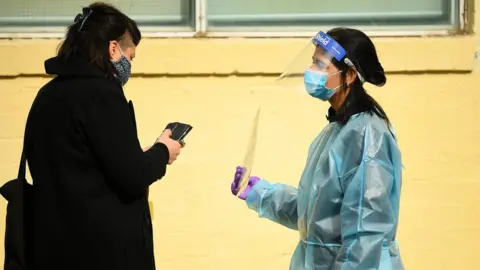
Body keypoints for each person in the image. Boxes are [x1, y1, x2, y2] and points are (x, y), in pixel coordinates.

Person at [22, 3, 182, 269]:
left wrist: (136, 157)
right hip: (103, 250)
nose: (130, 64)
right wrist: (163, 150)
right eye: (130, 56)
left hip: (52, 248)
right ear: (113, 48)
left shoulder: (48, 94)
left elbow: (82, 165)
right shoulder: (102, 95)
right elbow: (133, 177)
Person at [231, 27, 404, 269]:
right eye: (312, 63)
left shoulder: (368, 136)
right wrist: (262, 194)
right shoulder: (335, 131)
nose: (310, 72)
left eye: (320, 66)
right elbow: (315, 215)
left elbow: (367, 234)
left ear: (350, 75)